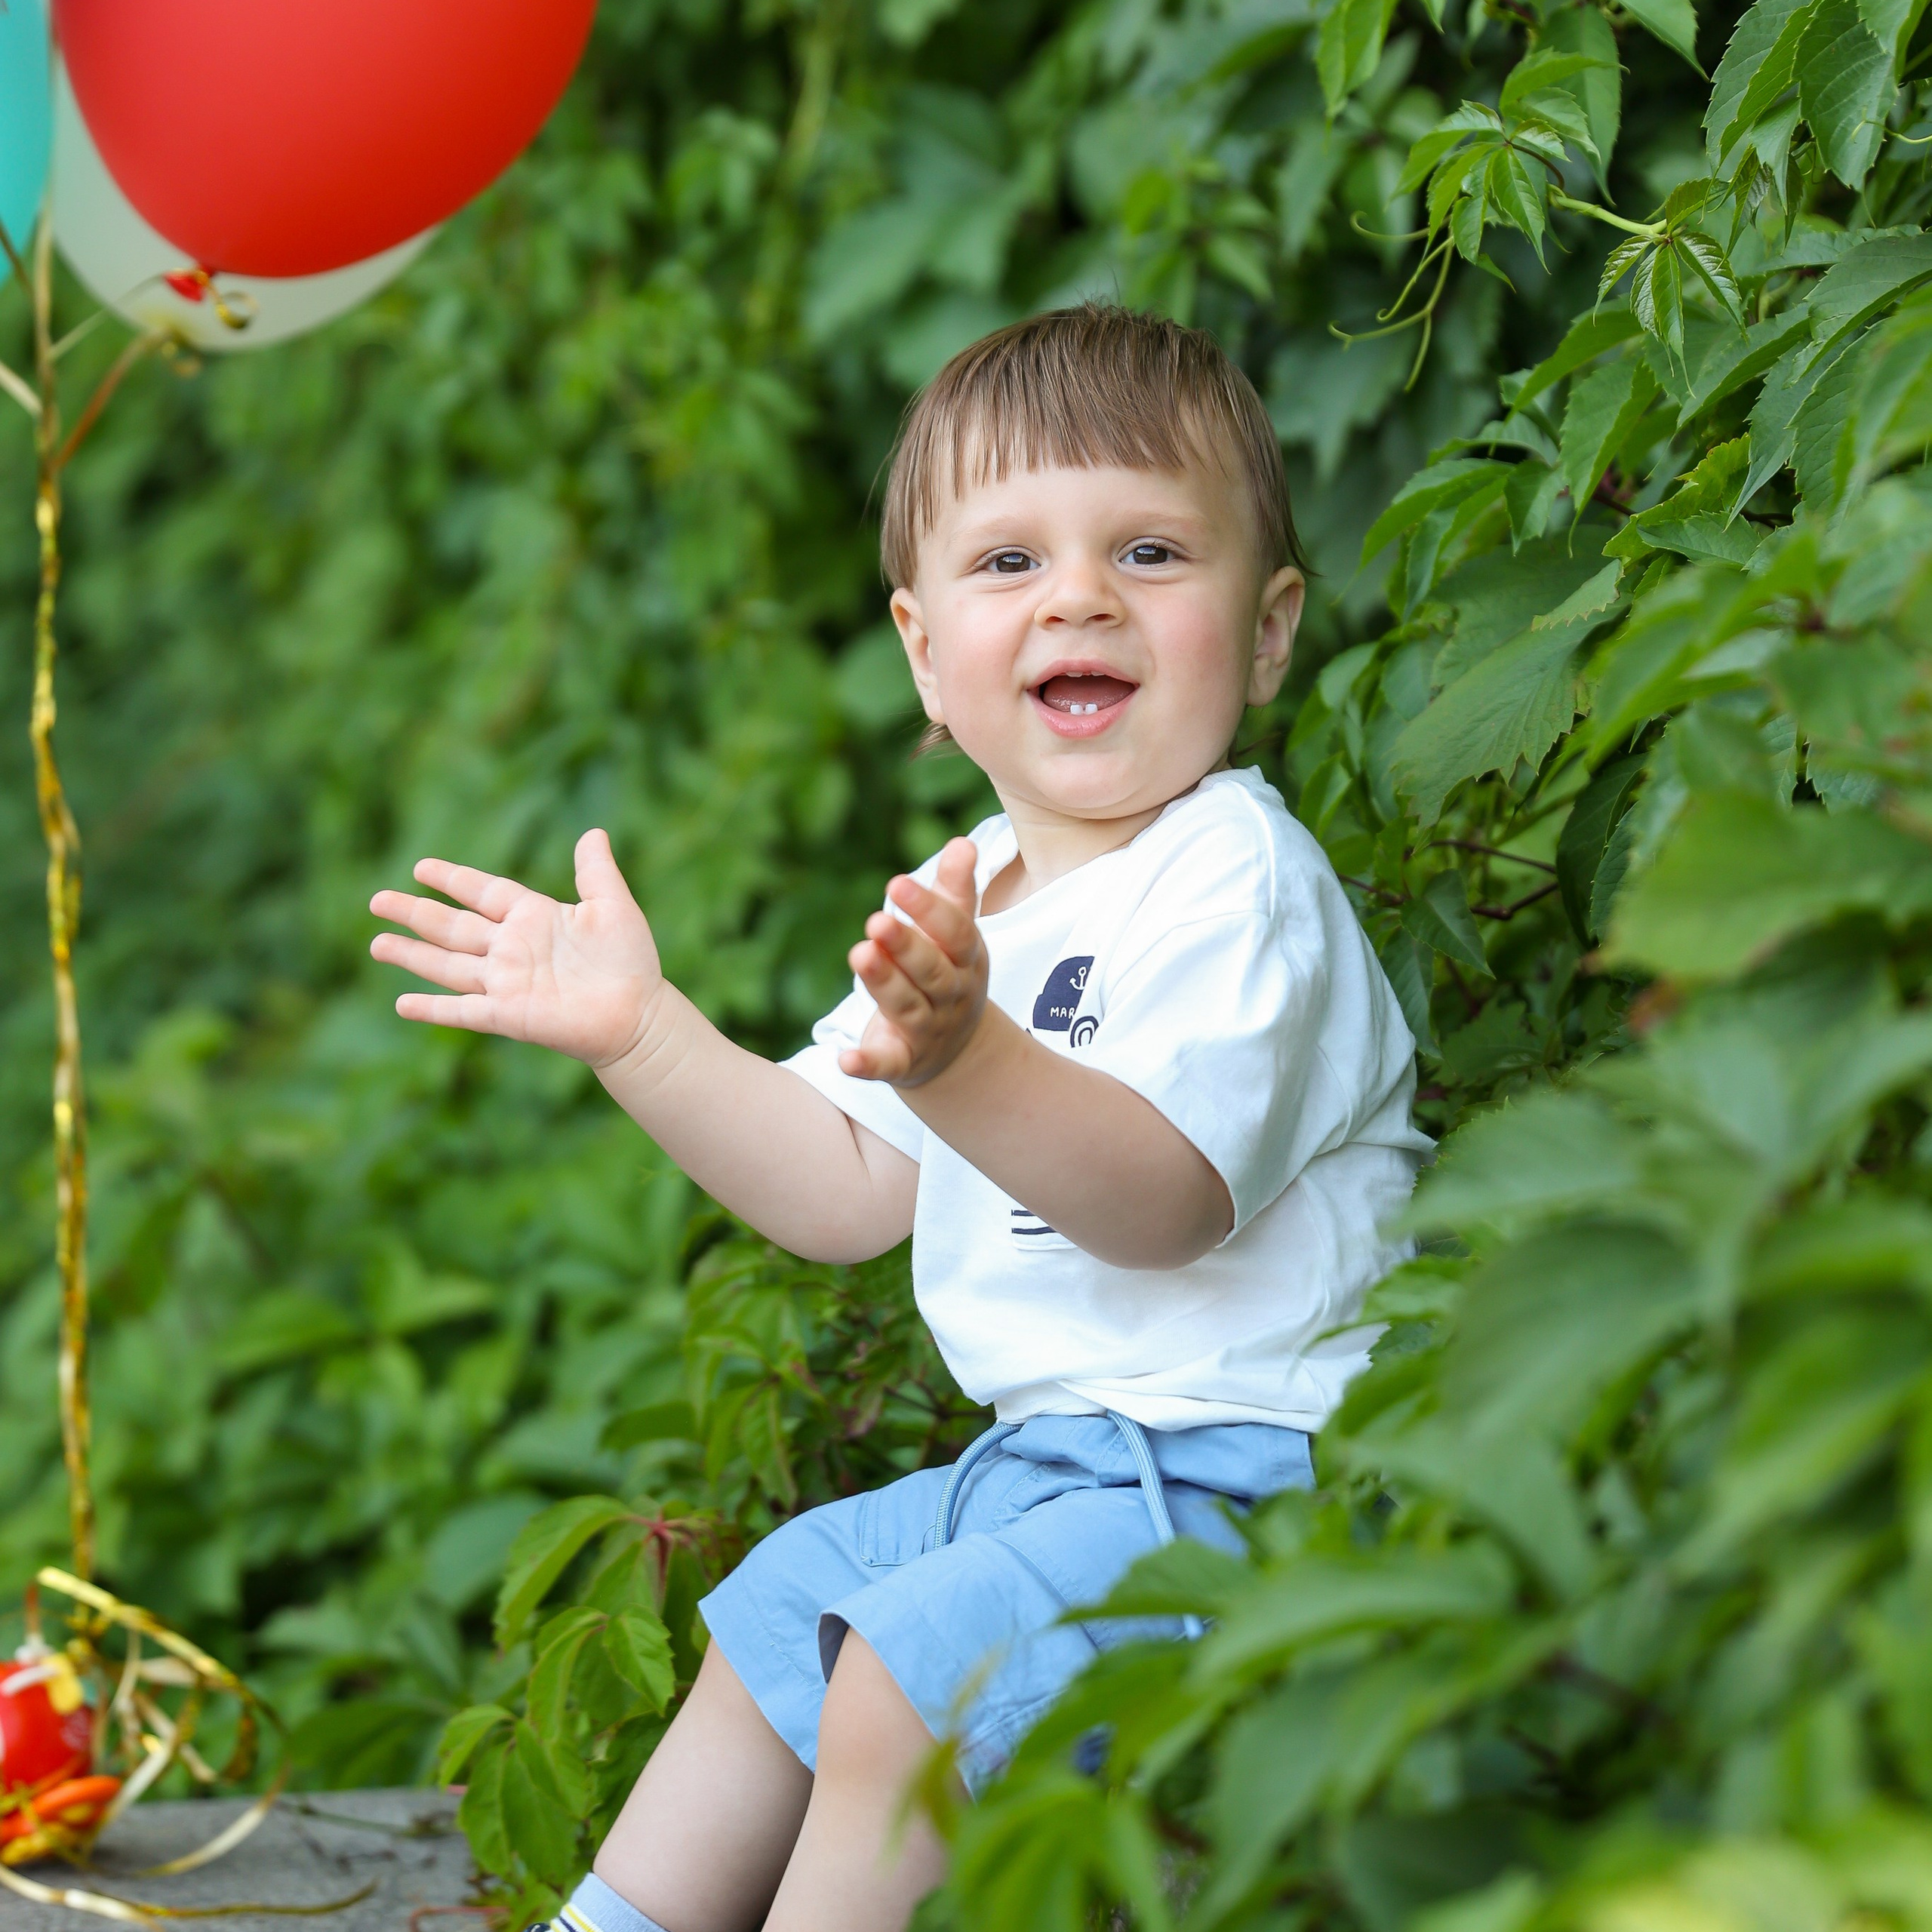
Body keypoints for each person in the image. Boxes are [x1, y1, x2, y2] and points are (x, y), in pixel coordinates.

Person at [370, 303, 1431, 1932]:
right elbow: (845, 1183)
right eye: (1008, 563)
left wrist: (960, 1059)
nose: (1078, 593)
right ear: (926, 654)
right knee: (777, 1616)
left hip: (1248, 1485)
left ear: (1268, 628)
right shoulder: (969, 896)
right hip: (1044, 1474)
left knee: (897, 1680)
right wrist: (642, 1034)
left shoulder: (1239, 878)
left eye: (1148, 552)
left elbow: (1160, 1201)